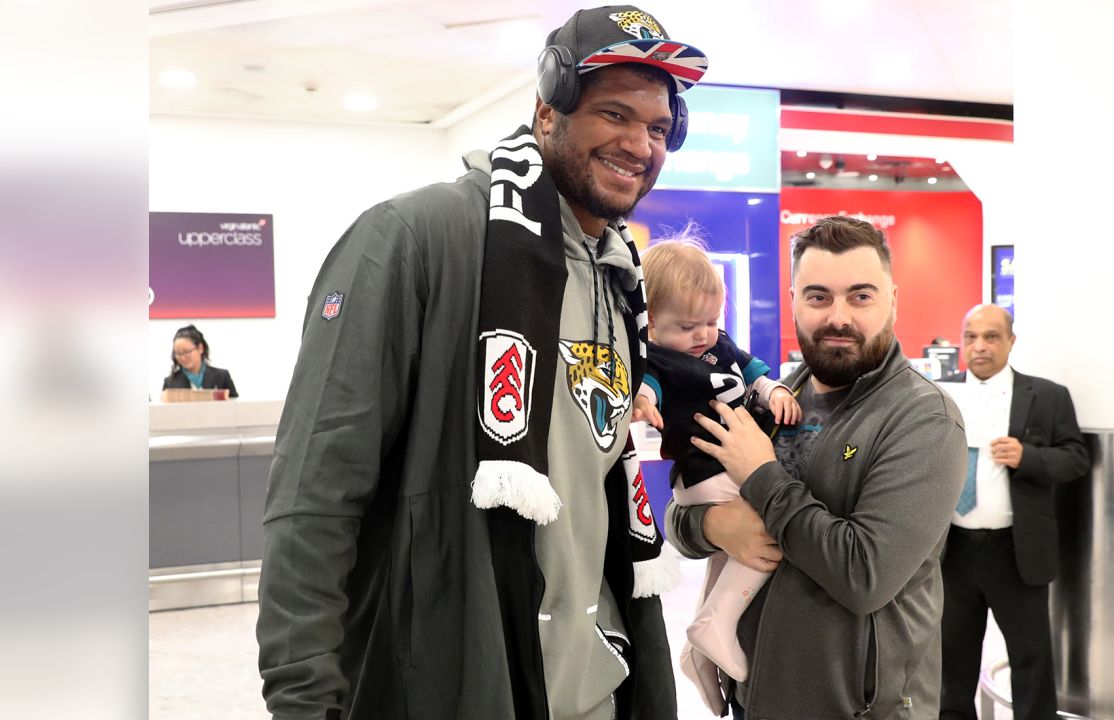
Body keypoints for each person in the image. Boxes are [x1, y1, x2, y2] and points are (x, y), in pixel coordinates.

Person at [255, 6, 707, 720]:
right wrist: (304, 701)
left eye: (657, 128)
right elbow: (317, 492)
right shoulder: (416, 238)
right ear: (547, 110)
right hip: (457, 685)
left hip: (593, 686)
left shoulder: (618, 278)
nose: (639, 144)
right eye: (615, 114)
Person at [666, 215, 968, 719]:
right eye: (819, 296)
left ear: (893, 298)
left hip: (856, 708)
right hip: (756, 694)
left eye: (861, 296)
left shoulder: (923, 418)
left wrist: (762, 476)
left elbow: (863, 574)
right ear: (793, 302)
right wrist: (711, 524)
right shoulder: (776, 400)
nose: (839, 316)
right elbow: (684, 510)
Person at [630, 236, 801, 713]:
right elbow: (646, 388)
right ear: (652, 323)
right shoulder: (658, 359)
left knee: (734, 546)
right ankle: (716, 624)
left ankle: (700, 648)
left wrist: (776, 391)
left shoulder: (718, 344)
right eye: (687, 326)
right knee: (768, 528)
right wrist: (643, 404)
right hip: (706, 469)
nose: (703, 334)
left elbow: (755, 373)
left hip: (727, 466)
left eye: (710, 321)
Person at [937, 304, 1090, 720]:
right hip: (952, 552)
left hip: (1016, 551)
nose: (979, 346)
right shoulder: (937, 394)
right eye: (971, 336)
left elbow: (1076, 459)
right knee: (952, 662)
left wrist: (1029, 457)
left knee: (1031, 658)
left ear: (1011, 342)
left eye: (991, 336)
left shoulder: (1047, 396)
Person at [161, 324, 238, 398]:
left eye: (186, 352)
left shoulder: (222, 377)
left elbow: (235, 407)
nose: (183, 358)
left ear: (200, 348)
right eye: (178, 353)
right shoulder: (170, 383)